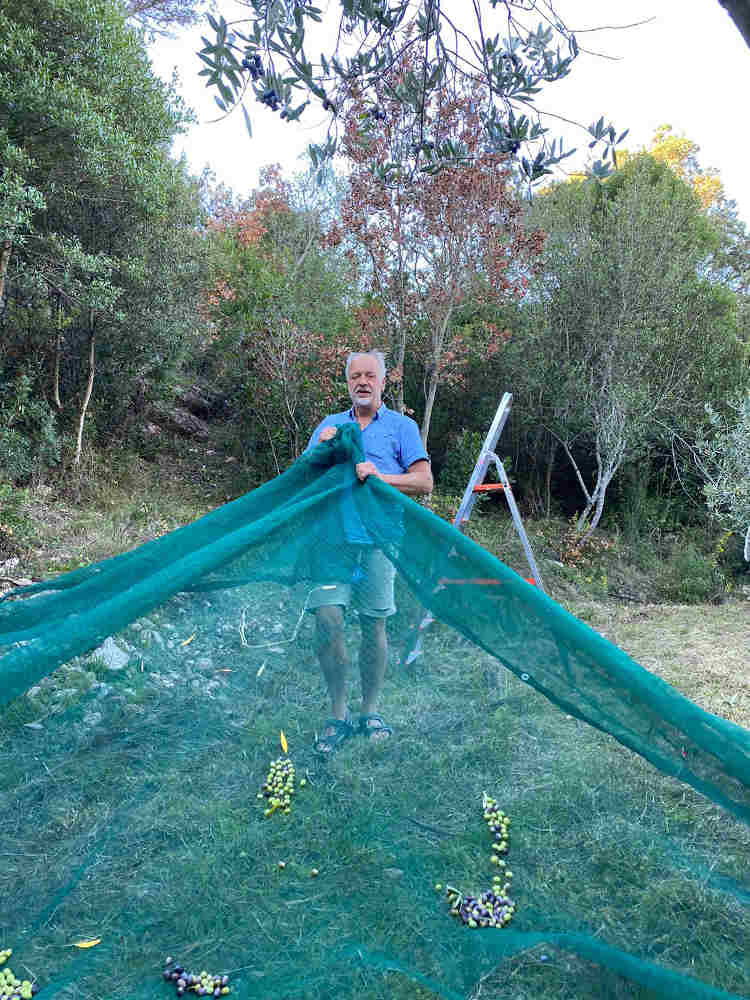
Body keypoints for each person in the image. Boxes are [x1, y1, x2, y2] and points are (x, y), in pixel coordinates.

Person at [304, 350, 433, 754]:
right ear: (347, 383)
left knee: (373, 626)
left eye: (369, 375)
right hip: (331, 540)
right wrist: (321, 451)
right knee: (327, 621)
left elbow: (424, 482)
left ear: (382, 382)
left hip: (379, 540)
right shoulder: (330, 426)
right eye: (355, 375)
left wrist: (382, 478)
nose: (362, 381)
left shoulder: (402, 426)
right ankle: (337, 713)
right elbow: (304, 476)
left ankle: (369, 711)